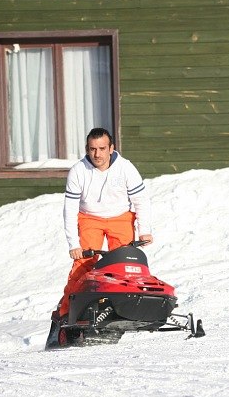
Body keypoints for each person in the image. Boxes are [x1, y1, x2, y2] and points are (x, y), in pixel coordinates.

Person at [46, 127, 152, 348]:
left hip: (120, 218)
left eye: (102, 148)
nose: (97, 154)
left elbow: (141, 200)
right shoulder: (78, 171)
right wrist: (74, 244)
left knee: (124, 265)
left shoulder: (126, 168)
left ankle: (120, 310)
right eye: (93, 149)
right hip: (89, 219)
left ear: (111, 148)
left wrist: (145, 230)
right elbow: (69, 210)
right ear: (87, 149)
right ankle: (65, 315)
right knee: (83, 266)